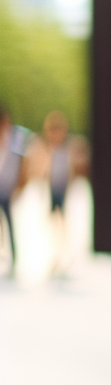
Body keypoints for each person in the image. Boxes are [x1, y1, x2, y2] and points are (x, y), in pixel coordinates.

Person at [0, 105, 27, 275]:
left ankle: (13, 256)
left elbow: (21, 163)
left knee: (9, 223)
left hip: (7, 188)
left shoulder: (17, 137)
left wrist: (20, 185)